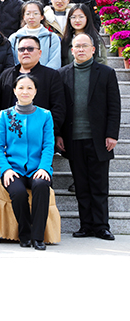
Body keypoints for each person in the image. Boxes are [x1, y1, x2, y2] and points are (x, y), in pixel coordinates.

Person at [58, 34, 121, 241]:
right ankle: (86, 225)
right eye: (77, 46)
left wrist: (112, 134)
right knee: (81, 185)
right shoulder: (62, 74)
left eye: (85, 46)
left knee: (99, 185)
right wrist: (58, 134)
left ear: (93, 49)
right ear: (72, 50)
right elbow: (59, 108)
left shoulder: (106, 73)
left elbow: (114, 106)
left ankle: (101, 226)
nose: (81, 49)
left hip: (99, 139)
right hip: (73, 138)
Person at [0, 74, 54, 250]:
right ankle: (25, 234)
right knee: (18, 193)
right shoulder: (5, 115)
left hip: (38, 168)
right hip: (14, 169)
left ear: (35, 91)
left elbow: (48, 145)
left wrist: (44, 167)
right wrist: (6, 169)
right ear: (14, 91)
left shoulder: (45, 115)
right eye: (21, 87)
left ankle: (38, 237)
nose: (25, 91)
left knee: (41, 185)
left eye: (29, 88)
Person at [0, 35, 66, 137]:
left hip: (40, 134)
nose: (25, 52)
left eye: (30, 49)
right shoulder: (6, 75)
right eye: (21, 49)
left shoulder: (51, 75)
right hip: (10, 135)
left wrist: (48, 131)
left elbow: (58, 108)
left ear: (40, 53)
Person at [9, 0, 61, 70]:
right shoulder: (14, 38)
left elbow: (55, 62)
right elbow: (11, 62)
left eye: (35, 13)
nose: (31, 17)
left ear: (42, 16)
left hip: (45, 76)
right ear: (23, 17)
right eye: (28, 14)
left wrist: (41, 74)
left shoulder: (52, 38)